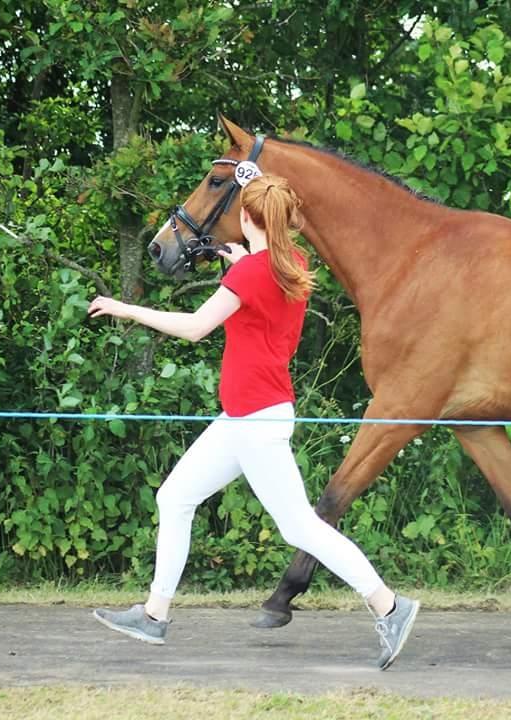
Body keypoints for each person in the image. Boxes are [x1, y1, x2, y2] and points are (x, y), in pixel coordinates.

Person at [87, 173, 419, 669]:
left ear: (246, 218)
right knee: (174, 497)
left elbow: (197, 327)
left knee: (300, 527)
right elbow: (265, 286)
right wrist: (245, 261)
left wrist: (128, 309)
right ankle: (154, 615)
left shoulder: (250, 274)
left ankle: (389, 606)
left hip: (255, 421)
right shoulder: (290, 265)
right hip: (247, 416)